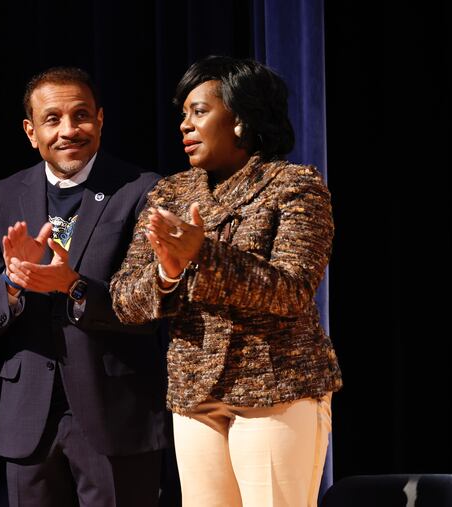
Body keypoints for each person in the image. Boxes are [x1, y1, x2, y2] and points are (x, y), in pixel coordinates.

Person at [110, 55, 342, 507]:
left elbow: (293, 290)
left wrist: (203, 253)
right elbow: (124, 300)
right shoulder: (170, 195)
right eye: (183, 115)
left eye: (199, 111)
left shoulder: (295, 186)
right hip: (195, 395)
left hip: (276, 390)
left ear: (240, 119)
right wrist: (167, 273)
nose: (184, 125)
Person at [0, 67, 169, 507]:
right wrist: (13, 282)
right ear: (30, 131)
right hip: (28, 420)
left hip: (117, 413)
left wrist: (73, 285)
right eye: (52, 119)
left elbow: (151, 306)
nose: (68, 130)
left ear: (100, 119)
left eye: (80, 116)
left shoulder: (142, 190)